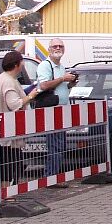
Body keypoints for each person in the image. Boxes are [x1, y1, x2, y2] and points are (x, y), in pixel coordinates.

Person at [0, 51, 42, 186]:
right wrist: (31, 96)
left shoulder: (4, 78)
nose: (23, 64)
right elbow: (14, 104)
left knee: (11, 163)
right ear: (16, 64)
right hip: (8, 133)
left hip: (4, 131)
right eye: (21, 61)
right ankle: (6, 193)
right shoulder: (8, 81)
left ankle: (5, 192)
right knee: (10, 165)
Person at [36, 38, 77, 187]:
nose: (58, 48)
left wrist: (70, 83)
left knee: (60, 145)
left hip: (61, 111)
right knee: (55, 145)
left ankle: (54, 176)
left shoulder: (61, 67)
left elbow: (61, 87)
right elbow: (44, 85)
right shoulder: (45, 66)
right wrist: (62, 78)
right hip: (51, 111)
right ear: (49, 49)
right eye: (55, 46)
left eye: (60, 46)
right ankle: (50, 178)